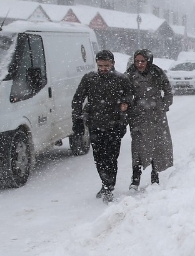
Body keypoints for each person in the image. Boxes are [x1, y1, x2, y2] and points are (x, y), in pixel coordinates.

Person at [71, 50, 133, 202]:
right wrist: (77, 118)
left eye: (106, 65)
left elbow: (130, 98)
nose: (103, 68)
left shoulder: (122, 79)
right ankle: (105, 183)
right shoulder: (90, 79)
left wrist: (124, 108)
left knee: (111, 158)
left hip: (115, 125)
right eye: (100, 65)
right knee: (99, 158)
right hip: (95, 124)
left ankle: (108, 186)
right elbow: (78, 98)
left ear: (113, 63)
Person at [126, 49, 174, 189]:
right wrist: (128, 107)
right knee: (138, 147)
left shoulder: (157, 73)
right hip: (138, 116)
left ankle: (155, 175)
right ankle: (135, 178)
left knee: (156, 145)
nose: (139, 64)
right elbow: (123, 92)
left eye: (142, 61)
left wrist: (164, 105)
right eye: (137, 61)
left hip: (156, 115)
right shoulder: (130, 74)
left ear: (148, 61)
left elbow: (168, 90)